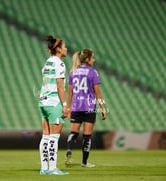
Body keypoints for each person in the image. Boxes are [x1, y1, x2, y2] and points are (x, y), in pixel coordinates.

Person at [65, 49, 107, 168]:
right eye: (92, 58)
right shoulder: (93, 72)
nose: (94, 60)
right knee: (87, 136)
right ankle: (84, 162)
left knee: (73, 133)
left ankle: (69, 150)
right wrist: (103, 108)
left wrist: (68, 107)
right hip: (89, 107)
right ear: (88, 59)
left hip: (76, 107)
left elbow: (70, 93)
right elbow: (98, 93)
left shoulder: (73, 72)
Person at [38, 35, 69, 175]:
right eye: (64, 47)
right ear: (58, 49)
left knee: (45, 136)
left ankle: (44, 168)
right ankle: (52, 168)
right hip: (53, 102)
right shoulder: (59, 63)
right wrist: (65, 104)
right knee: (54, 137)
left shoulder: (47, 62)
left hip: (42, 101)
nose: (66, 49)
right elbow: (60, 86)